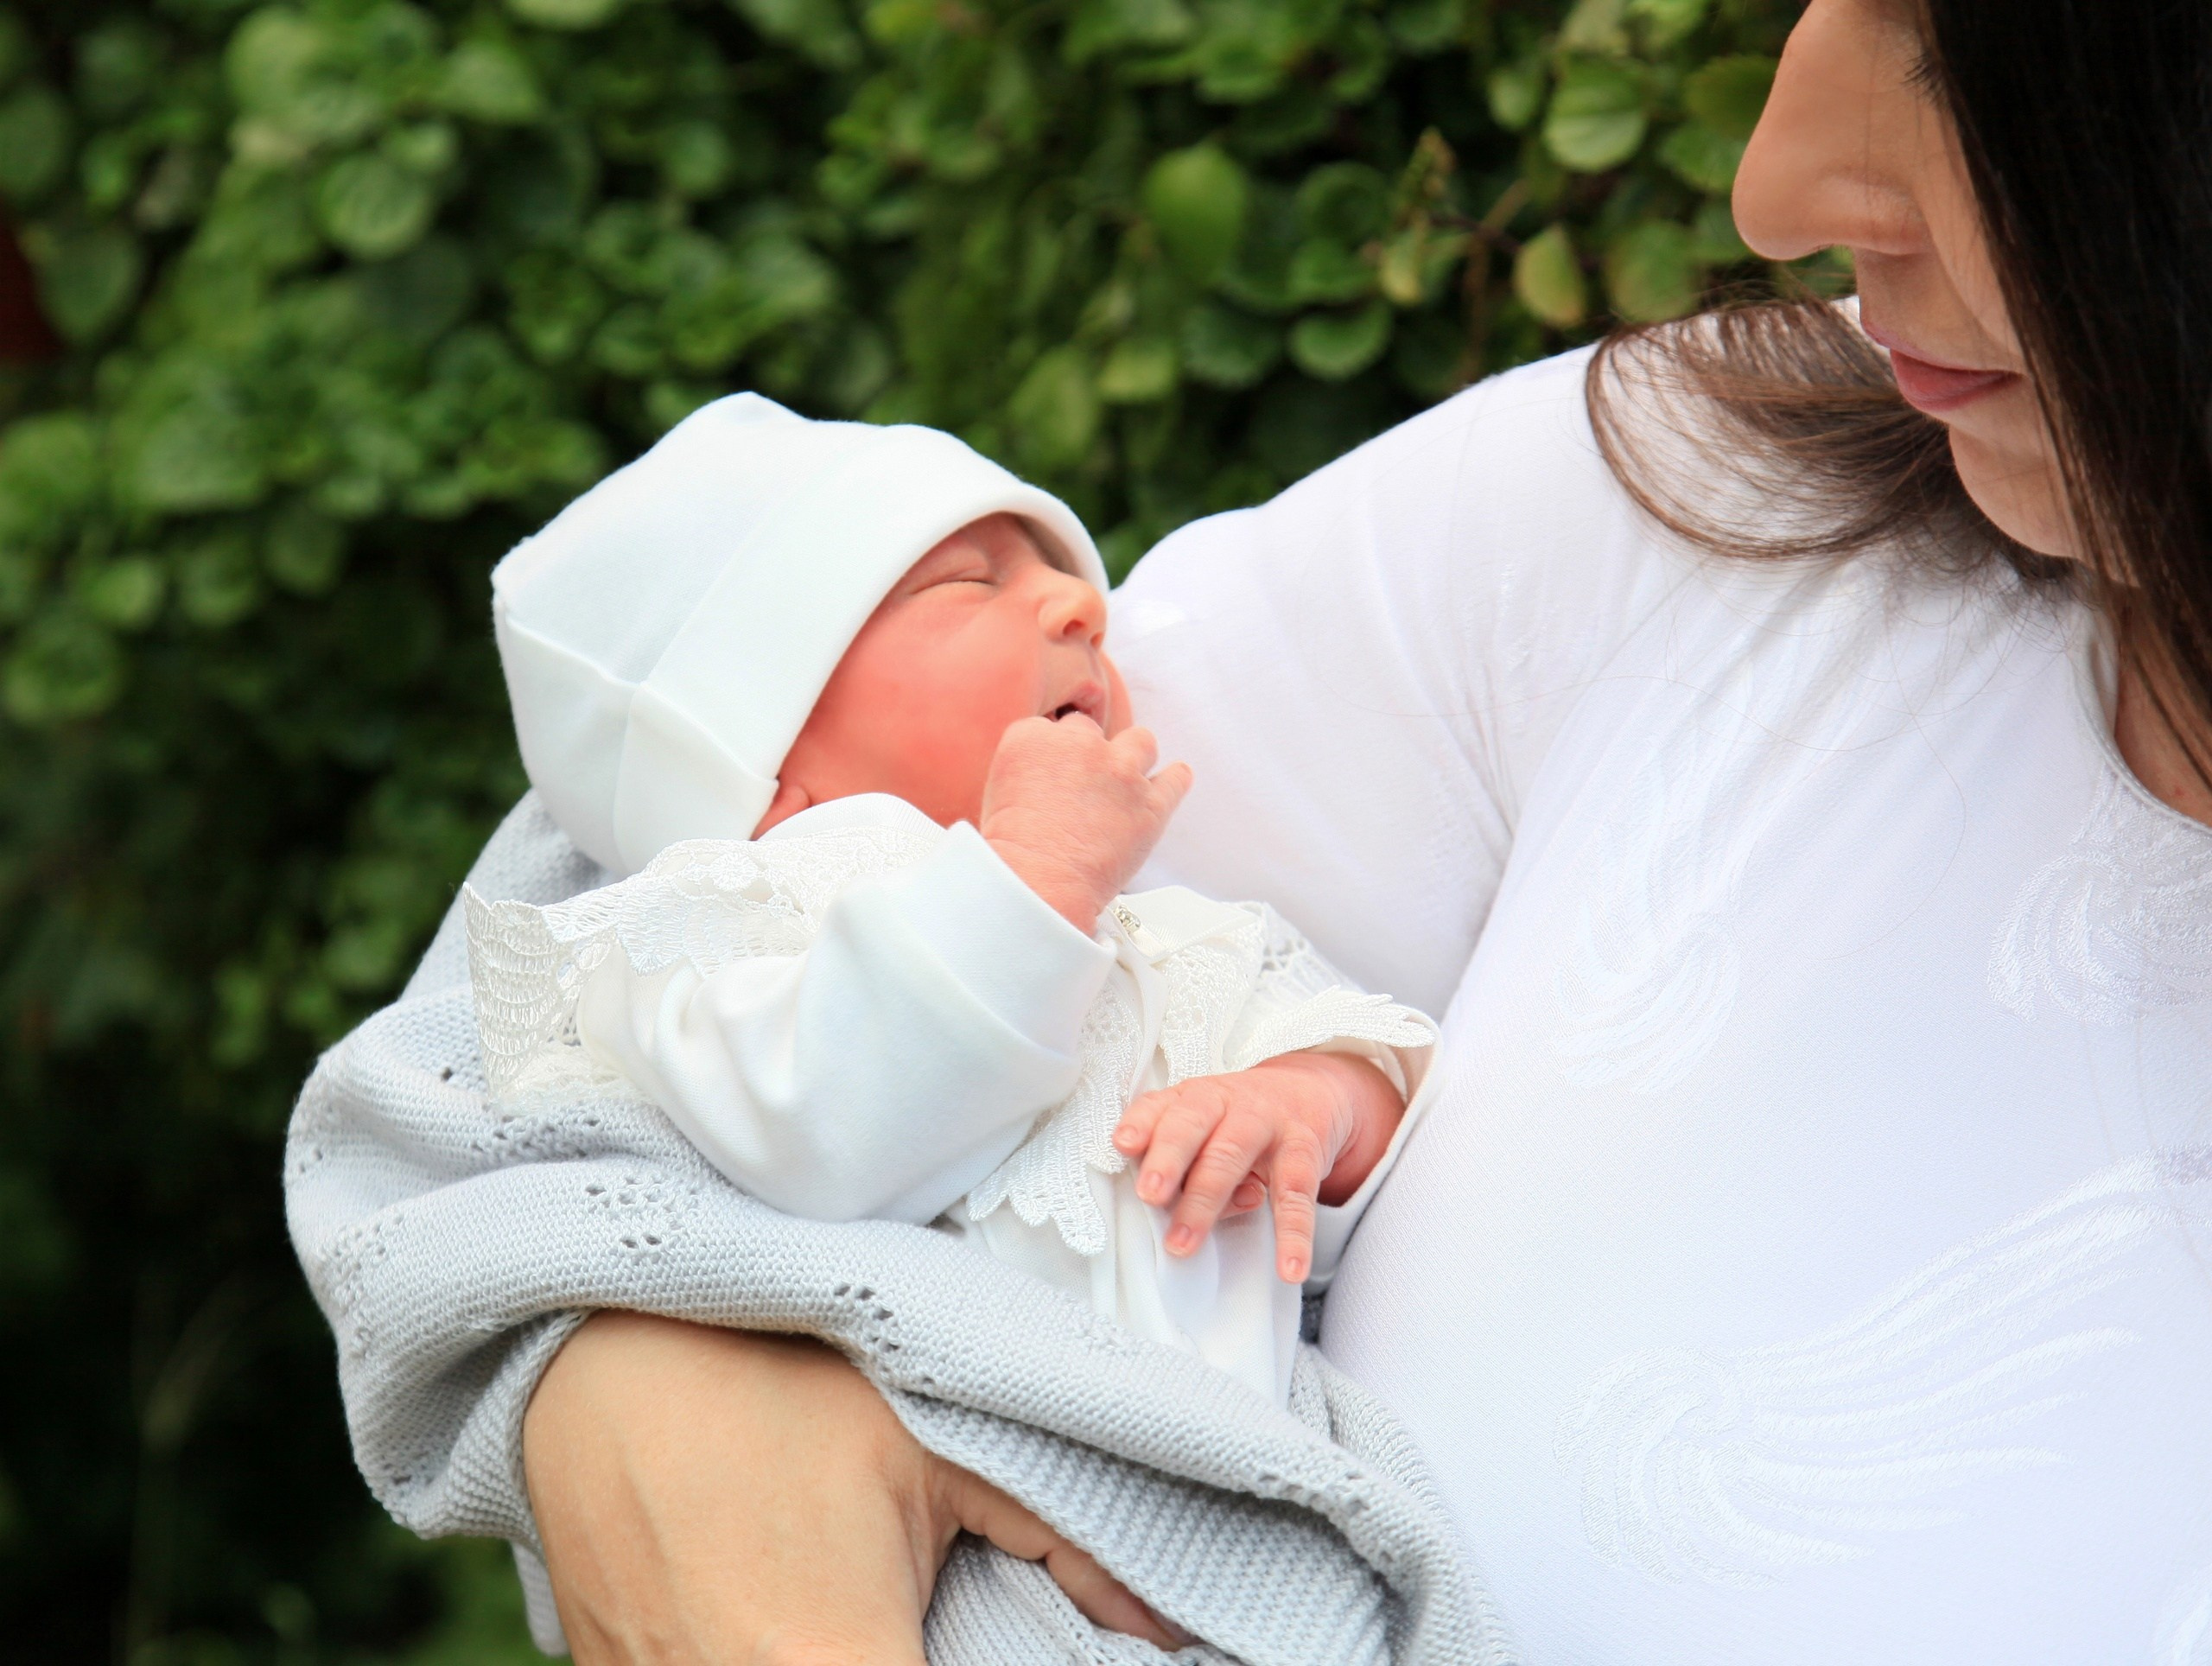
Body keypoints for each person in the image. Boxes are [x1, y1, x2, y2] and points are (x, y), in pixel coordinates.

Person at [305, 0, 2212, 1659]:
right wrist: (664, 1397)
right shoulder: (1697, 505)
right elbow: (573, 949)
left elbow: (1268, 1020)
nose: (1775, 186)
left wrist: (1321, 1090)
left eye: (1980, 57)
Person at [464, 400, 1433, 1407]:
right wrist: (1035, 877)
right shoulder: (721, 925)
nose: (1079, 602)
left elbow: (1376, 1106)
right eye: (970, 580)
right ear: (766, 758)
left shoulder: (1169, 928)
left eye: (1054, 569)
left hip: (1240, 1489)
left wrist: (1313, 1102)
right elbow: (826, 1132)